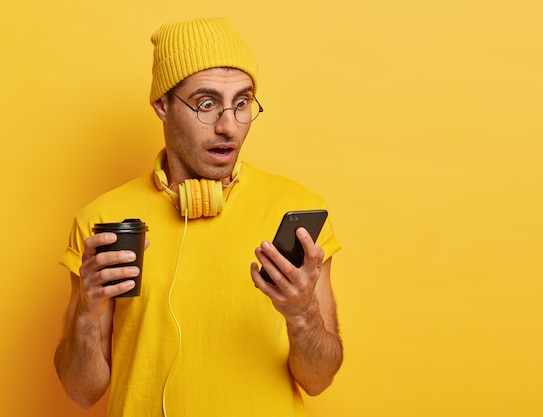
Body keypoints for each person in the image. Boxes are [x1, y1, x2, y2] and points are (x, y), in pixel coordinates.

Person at [54, 17, 343, 417]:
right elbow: (81, 391)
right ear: (162, 106)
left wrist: (303, 314)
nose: (228, 126)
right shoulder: (103, 221)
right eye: (206, 104)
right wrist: (87, 311)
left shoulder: (295, 209)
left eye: (241, 104)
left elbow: (319, 379)